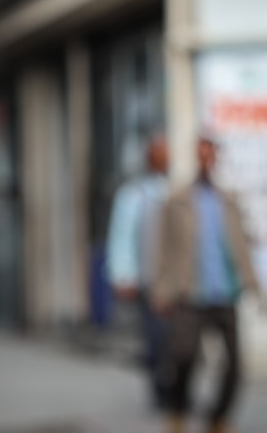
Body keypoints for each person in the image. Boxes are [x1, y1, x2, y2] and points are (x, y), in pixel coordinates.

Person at [153, 135, 263, 433]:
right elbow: (164, 247)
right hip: (191, 292)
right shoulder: (177, 200)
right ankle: (178, 410)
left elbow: (241, 245)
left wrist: (255, 285)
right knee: (185, 357)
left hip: (225, 291)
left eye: (210, 155)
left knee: (235, 365)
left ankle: (218, 417)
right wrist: (161, 289)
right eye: (201, 155)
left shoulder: (228, 200)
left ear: (216, 158)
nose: (206, 161)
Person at [106, 134, 170, 409]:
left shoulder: (175, 191)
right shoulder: (133, 194)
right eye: (158, 154)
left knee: (178, 341)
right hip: (150, 281)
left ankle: (176, 390)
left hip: (178, 282)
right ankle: (160, 392)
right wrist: (124, 275)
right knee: (156, 339)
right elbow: (121, 237)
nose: (162, 159)